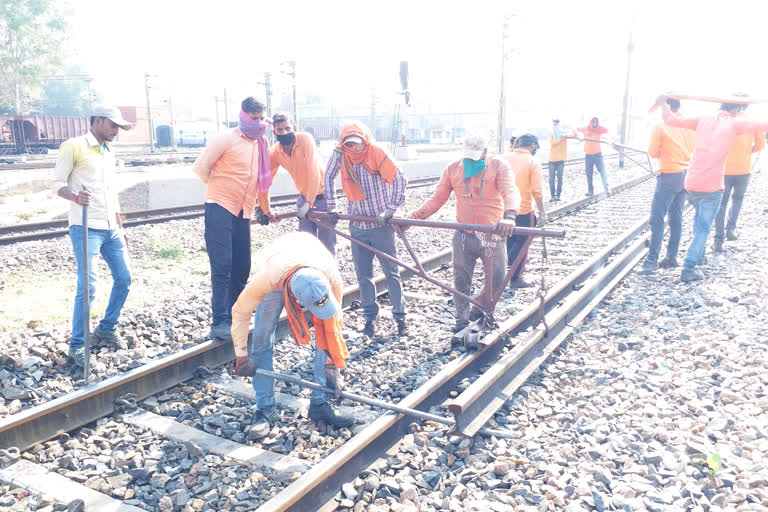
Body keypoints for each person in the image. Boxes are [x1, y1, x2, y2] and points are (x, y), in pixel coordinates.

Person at [230, 232, 354, 438]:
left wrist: (333, 366)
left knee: (326, 331)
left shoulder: (331, 277)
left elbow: (334, 327)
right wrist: (241, 356)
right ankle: (265, 408)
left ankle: (319, 403)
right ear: (296, 299)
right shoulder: (267, 278)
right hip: (279, 268)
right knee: (261, 339)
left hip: (310, 259)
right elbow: (240, 312)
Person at [409, 134, 520, 333]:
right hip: (463, 234)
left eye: (474, 156)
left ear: (485, 152)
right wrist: (415, 217)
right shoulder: (453, 169)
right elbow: (438, 198)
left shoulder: (498, 166)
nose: (470, 160)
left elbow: (510, 191)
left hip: (492, 234)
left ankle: (480, 307)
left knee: (498, 278)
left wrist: (510, 216)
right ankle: (461, 322)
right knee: (461, 281)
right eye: (467, 156)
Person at [51, 106, 134, 367]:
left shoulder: (108, 152)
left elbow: (111, 193)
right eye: (112, 125)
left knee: (124, 279)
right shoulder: (73, 146)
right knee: (88, 286)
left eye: (118, 127)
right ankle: (77, 344)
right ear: (97, 121)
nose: (115, 131)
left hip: (111, 227)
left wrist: (119, 225)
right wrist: (75, 196)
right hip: (85, 226)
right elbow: (56, 183)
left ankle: (106, 327)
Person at [657, 96, 768, 282]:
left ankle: (699, 257)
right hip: (712, 186)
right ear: (734, 110)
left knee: (699, 220)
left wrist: (663, 103)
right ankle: (689, 268)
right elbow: (763, 125)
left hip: (691, 183)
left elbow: (670, 119)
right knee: (703, 228)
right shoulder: (735, 124)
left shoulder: (702, 120)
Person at [193, 97, 275, 342]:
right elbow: (201, 168)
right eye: (254, 119)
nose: (259, 123)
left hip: (244, 211)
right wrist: (221, 187)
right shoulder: (226, 138)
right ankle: (219, 320)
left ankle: (234, 315)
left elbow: (263, 181)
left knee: (242, 266)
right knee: (223, 266)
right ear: (243, 117)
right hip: (220, 206)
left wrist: (265, 208)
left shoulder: (261, 143)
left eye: (262, 118)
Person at [324, 122, 408, 338]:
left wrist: (390, 210)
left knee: (391, 272)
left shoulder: (377, 153)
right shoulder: (340, 153)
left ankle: (400, 317)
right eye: (349, 144)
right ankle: (370, 319)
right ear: (344, 143)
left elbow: (400, 179)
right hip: (358, 225)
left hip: (381, 225)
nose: (354, 149)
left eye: (357, 144)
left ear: (365, 140)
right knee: (363, 275)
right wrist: (332, 205)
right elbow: (328, 176)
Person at [261, 113, 336, 254]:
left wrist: (309, 202)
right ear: (274, 132)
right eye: (280, 130)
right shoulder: (275, 153)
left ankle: (330, 275)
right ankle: (311, 274)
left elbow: (313, 171)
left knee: (327, 247)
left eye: (287, 128)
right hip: (303, 200)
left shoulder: (305, 139)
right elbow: (265, 180)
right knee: (306, 245)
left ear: (294, 127)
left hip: (324, 198)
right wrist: (265, 209)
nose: (284, 132)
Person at [639, 99, 695, 274]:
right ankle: (671, 256)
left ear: (667, 107)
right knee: (676, 217)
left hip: (669, 175)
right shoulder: (688, 125)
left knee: (657, 219)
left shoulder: (660, 126)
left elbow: (653, 152)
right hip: (685, 174)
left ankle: (651, 261)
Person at [713, 105, 765, 252]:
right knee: (737, 199)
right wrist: (747, 152)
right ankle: (731, 229)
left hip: (724, 169)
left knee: (721, 203)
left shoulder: (722, 120)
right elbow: (760, 144)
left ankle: (718, 239)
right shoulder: (752, 121)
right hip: (743, 169)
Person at [504, 133, 547, 288]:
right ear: (533, 146)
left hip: (503, 209)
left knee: (507, 239)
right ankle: (516, 278)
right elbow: (537, 191)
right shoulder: (532, 161)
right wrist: (542, 213)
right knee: (523, 243)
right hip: (523, 210)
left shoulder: (503, 158)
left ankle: (504, 270)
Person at [576, 117, 609, 196]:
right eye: (593, 122)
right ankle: (590, 191)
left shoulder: (599, 129)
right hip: (588, 155)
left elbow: (607, 131)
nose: (594, 123)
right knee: (589, 173)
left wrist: (609, 140)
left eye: (596, 122)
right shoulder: (585, 129)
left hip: (598, 155)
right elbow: (575, 129)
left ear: (597, 123)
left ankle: (607, 189)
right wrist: (578, 136)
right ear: (591, 122)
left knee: (602, 172)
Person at [548, 117, 567, 201]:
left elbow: (572, 135)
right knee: (551, 179)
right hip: (552, 160)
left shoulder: (564, 133)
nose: (555, 124)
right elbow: (552, 143)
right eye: (554, 122)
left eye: (557, 122)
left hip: (561, 160)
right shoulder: (551, 132)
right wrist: (560, 138)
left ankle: (558, 195)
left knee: (560, 179)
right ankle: (552, 196)